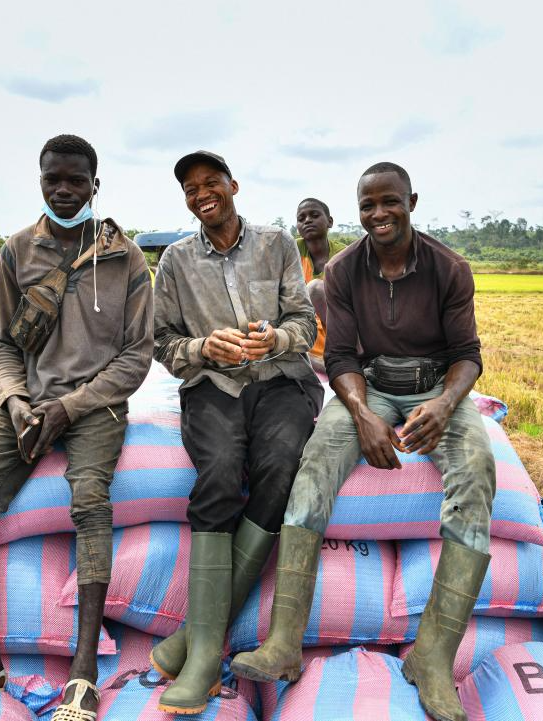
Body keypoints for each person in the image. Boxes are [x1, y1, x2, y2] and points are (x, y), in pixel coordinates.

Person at [231, 162, 495, 721]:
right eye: (368, 205)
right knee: (313, 467)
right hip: (368, 386)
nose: (378, 215)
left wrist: (445, 406)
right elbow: (344, 357)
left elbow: (468, 355)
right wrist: (360, 412)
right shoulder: (345, 272)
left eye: (389, 203)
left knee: (476, 474)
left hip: (436, 390)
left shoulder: (450, 269)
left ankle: (431, 659)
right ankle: (283, 645)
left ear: (411, 202)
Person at [0, 134, 154, 719]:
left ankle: (83, 671)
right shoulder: (17, 251)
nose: (65, 191)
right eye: (54, 180)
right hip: (24, 405)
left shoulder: (125, 259)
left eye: (77, 181)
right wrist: (17, 400)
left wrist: (70, 408)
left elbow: (136, 356)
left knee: (90, 503)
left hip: (95, 407)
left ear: (95, 185)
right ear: (40, 181)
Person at [151, 150, 323, 714]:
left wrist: (274, 339)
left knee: (280, 466)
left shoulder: (275, 244)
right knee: (220, 471)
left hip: (281, 382)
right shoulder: (174, 261)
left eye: (210, 183)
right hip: (213, 387)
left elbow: (305, 322)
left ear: (233, 186)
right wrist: (204, 347)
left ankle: (198, 642)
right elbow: (162, 343)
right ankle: (204, 652)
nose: (201, 194)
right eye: (191, 188)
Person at [295, 198, 347, 372]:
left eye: (314, 215)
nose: (307, 220)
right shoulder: (291, 251)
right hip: (304, 326)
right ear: (297, 227)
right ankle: (317, 362)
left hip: (336, 328)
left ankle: (336, 362)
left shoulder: (345, 256)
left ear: (330, 222)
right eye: (301, 218)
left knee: (316, 289)